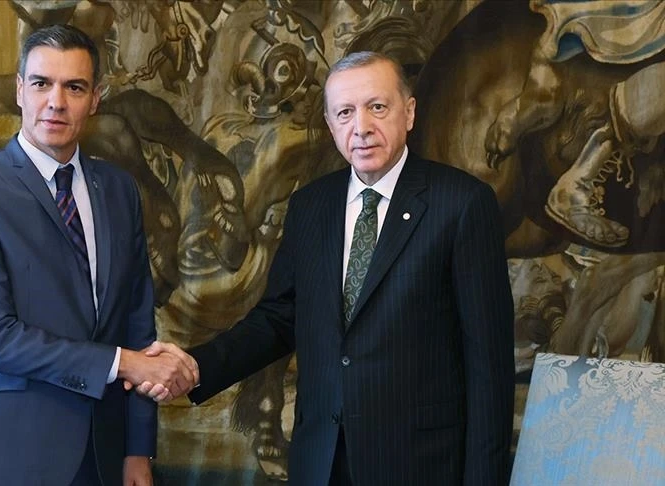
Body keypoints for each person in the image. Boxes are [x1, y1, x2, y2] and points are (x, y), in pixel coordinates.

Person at [147, 51, 515, 485]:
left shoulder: (463, 204)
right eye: (345, 112)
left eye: (377, 107)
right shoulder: (311, 206)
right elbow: (279, 317)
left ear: (409, 112)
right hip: (321, 461)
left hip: (419, 465)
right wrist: (196, 366)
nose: (362, 126)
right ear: (330, 124)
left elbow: (489, 367)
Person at [0, 24, 197, 486]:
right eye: (41, 83)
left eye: (74, 87)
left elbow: (137, 325)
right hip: (1, 449)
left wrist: (138, 449)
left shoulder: (119, 190)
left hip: (101, 454)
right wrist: (124, 363)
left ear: (95, 99)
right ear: (19, 91)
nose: (56, 101)